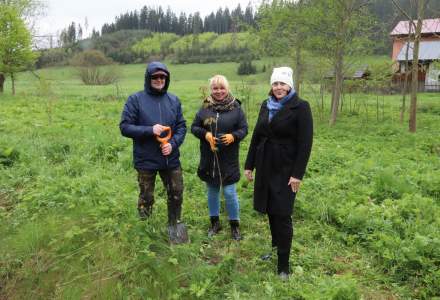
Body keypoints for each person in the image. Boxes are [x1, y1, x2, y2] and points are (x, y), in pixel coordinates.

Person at [244, 67, 313, 278]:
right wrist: (249, 164)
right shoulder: (266, 104)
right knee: (270, 210)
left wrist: (297, 174)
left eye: (282, 84)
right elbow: (257, 135)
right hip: (265, 164)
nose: (278, 88)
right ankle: (275, 248)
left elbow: (305, 143)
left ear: (290, 85)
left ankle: (284, 265)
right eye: (275, 84)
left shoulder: (301, 107)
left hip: (286, 168)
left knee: (282, 214)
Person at [120, 61, 187, 243]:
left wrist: (172, 144)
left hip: (170, 158)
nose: (159, 80)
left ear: (167, 78)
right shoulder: (136, 100)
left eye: (162, 77)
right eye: (155, 77)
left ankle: (174, 227)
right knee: (146, 197)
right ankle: (145, 228)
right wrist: (150, 130)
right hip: (146, 159)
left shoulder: (174, 100)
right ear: (148, 78)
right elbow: (125, 127)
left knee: (176, 192)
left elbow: (181, 127)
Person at [191, 75, 248, 241]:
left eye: (222, 88)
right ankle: (214, 223)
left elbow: (244, 129)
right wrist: (206, 134)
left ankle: (234, 226)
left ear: (227, 88)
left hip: (228, 158)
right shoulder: (205, 107)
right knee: (213, 191)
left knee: (230, 192)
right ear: (211, 90)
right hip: (210, 158)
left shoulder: (236, 107)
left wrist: (234, 136)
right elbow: (194, 127)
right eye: (215, 88)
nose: (219, 91)